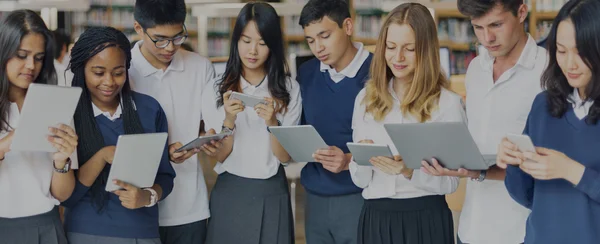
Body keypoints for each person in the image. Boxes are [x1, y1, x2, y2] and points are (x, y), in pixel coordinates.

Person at [420, 1, 547, 243]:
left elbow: (551, 160)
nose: (487, 38)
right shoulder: (476, 68)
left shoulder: (549, 71)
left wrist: (480, 171)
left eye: (496, 25)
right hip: (471, 226)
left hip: (520, 230)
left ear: (521, 12)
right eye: (477, 27)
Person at [350, 3, 464, 244]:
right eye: (390, 47)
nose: (397, 58)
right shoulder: (365, 99)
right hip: (375, 219)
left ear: (425, 51)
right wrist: (363, 159)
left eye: (409, 49)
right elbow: (359, 180)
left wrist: (411, 171)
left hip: (425, 220)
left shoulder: (447, 104)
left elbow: (452, 181)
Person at [60, 26, 176, 244]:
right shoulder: (68, 114)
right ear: (81, 69)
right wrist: (102, 155)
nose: (109, 82)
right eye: (98, 72)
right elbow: (67, 196)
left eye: (118, 72)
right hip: (85, 233)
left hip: (142, 232)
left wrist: (147, 197)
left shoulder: (149, 110)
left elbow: (165, 176)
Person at [500, 0, 600, 243]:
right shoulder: (543, 106)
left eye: (581, 52)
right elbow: (525, 194)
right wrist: (513, 161)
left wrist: (572, 171)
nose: (569, 64)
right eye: (561, 51)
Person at [201, 2, 301, 243]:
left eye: (262, 43)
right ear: (236, 41)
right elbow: (222, 155)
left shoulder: (289, 89)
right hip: (230, 190)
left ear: (273, 46)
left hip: (272, 190)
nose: (253, 51)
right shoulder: (216, 89)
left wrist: (272, 122)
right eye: (246, 41)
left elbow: (285, 157)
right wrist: (229, 120)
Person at [129, 0, 218, 243]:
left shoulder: (200, 68)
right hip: (135, 205)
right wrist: (161, 154)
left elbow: (208, 125)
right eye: (160, 39)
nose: (170, 47)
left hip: (189, 207)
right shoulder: (121, 70)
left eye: (178, 37)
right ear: (138, 28)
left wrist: (209, 136)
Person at [0, 9, 79, 244]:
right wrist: (10, 141)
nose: (30, 66)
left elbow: (62, 194)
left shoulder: (55, 104)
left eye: (38, 57)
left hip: (46, 225)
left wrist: (61, 161)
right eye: (21, 55)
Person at [297, 0, 373, 242]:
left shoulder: (380, 71)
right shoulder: (306, 73)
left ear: (348, 26)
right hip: (315, 198)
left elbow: (393, 142)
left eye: (325, 36)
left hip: (362, 196)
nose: (318, 47)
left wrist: (349, 159)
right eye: (310, 40)